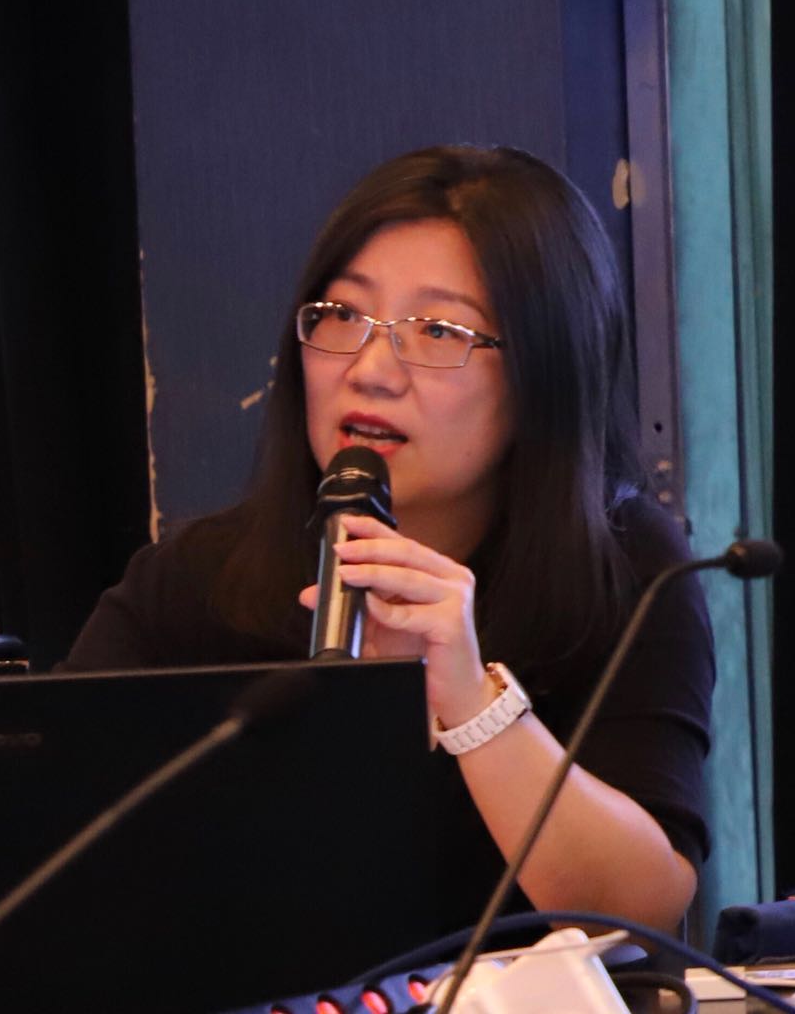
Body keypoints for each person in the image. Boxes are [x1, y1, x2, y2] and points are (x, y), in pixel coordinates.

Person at [62, 145, 715, 933]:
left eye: (438, 330)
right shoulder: (197, 581)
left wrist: (471, 701)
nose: (371, 369)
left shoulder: (626, 570)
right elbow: (43, 832)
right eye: (343, 316)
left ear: (545, 375)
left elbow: (639, 914)